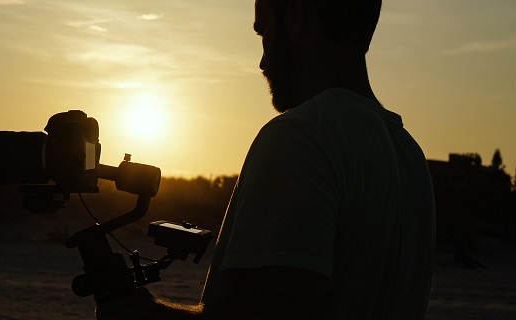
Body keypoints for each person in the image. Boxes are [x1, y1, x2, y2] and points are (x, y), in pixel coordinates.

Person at [96, 0, 436, 318]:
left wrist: (142, 313)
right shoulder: (410, 156)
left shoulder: (303, 134)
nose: (263, 61)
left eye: (264, 34)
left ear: (297, 17)